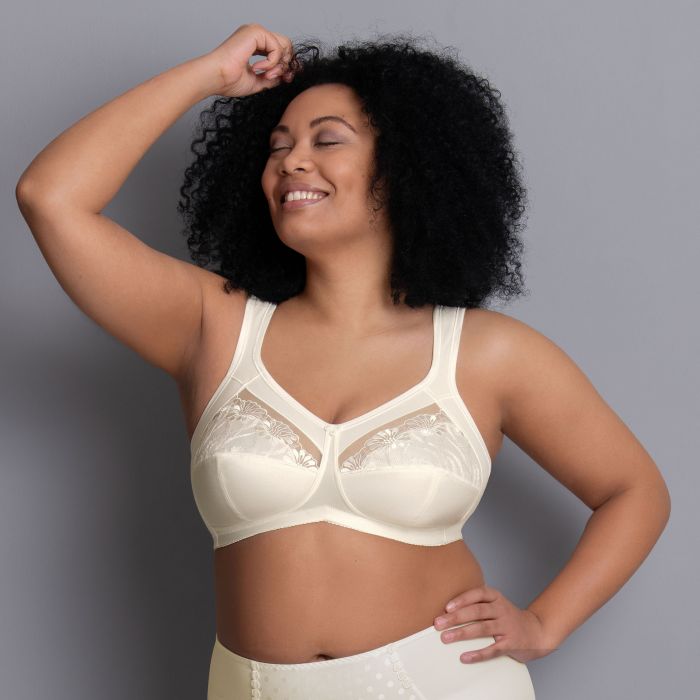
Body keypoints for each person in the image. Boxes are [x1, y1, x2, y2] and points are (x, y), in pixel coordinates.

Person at [15, 22, 671, 700]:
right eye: (277, 147)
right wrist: (210, 75)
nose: (292, 162)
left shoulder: (488, 352)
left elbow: (634, 491)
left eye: (327, 140)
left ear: (407, 166)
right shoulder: (214, 326)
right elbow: (50, 198)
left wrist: (544, 623)